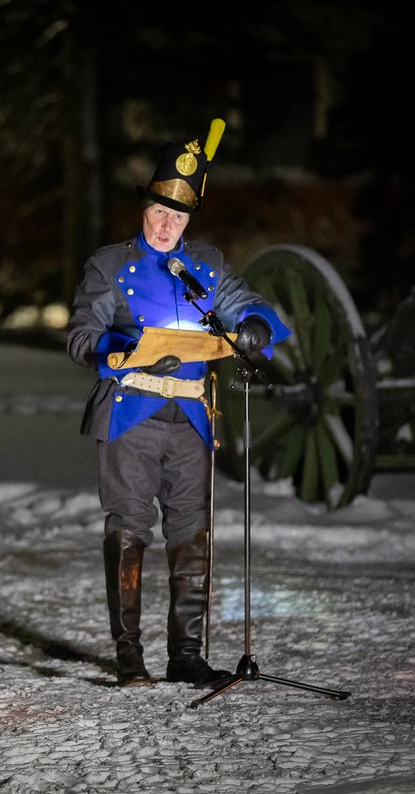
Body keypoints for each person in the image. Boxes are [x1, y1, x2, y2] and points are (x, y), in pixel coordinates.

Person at [66, 123, 290, 688]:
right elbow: (80, 337)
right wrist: (133, 353)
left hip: (191, 417)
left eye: (179, 218)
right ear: (145, 206)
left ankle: (186, 656)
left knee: (192, 533)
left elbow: (242, 302)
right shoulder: (109, 265)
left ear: (191, 221)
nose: (167, 227)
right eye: (160, 213)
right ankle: (129, 656)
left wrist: (256, 325)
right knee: (130, 530)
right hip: (132, 413)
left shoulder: (206, 264)